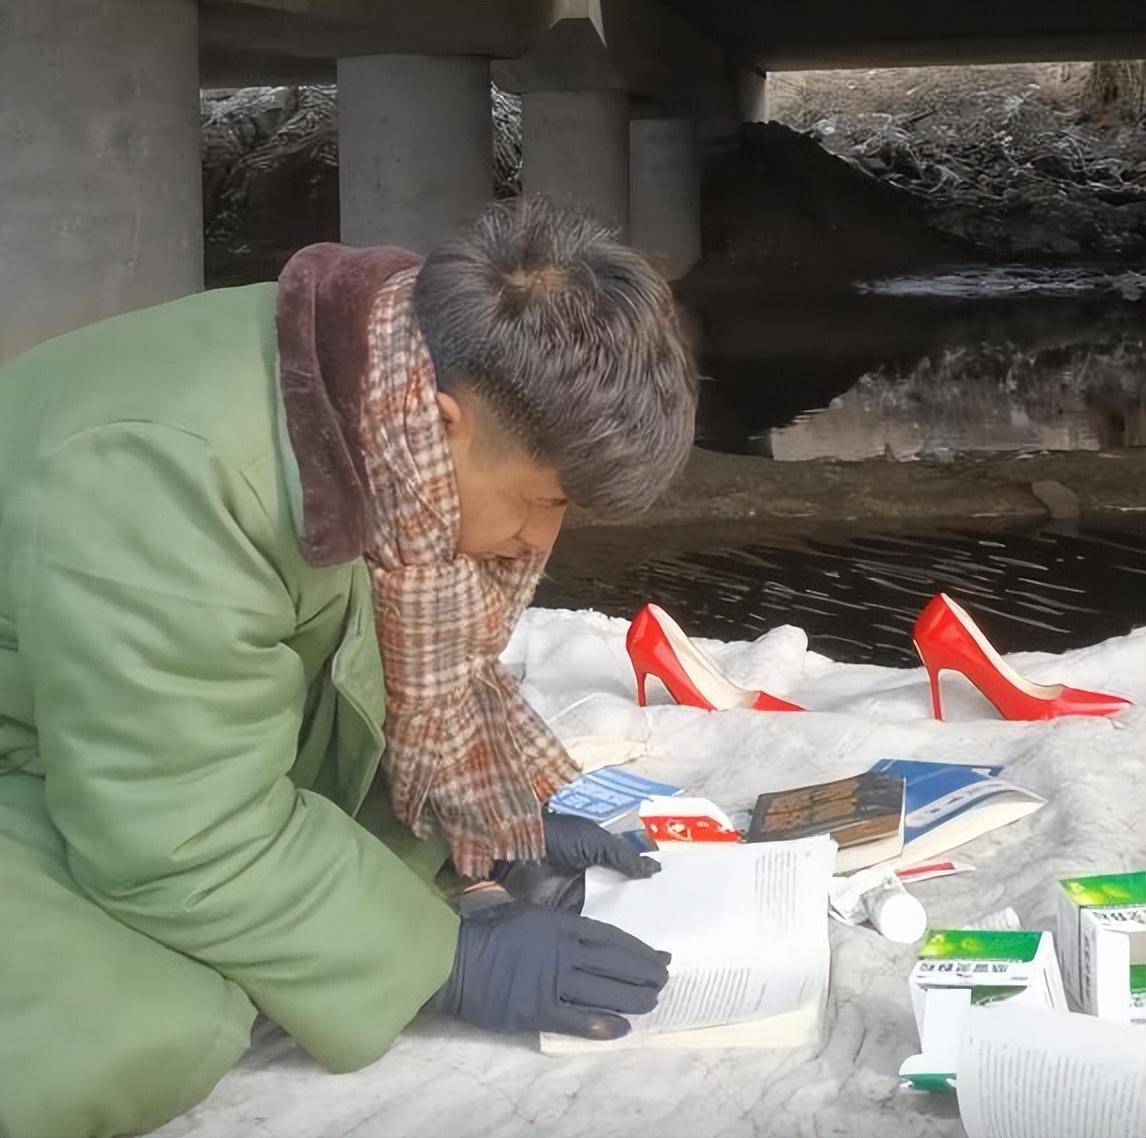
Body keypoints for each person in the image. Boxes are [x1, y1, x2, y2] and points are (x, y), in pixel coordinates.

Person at [0, 197, 697, 1138]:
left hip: (83, 722)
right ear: (447, 423)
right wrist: (444, 961)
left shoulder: (381, 387)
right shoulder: (173, 479)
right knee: (137, 1027)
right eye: (545, 500)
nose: (540, 540)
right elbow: (175, 832)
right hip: (29, 747)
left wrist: (474, 832)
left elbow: (314, 689)